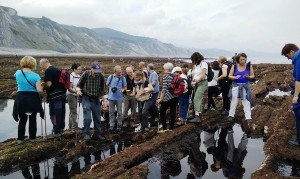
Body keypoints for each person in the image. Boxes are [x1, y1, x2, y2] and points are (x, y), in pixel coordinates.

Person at [13, 56, 44, 144]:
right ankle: (32, 139)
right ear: (33, 64)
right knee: (33, 119)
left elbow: (16, 76)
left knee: (22, 119)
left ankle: (20, 140)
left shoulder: (18, 72)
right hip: (32, 98)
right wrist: (42, 92)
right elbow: (39, 90)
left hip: (21, 98)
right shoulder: (36, 76)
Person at [76, 61, 105, 142]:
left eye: (98, 71)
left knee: (97, 118)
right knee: (87, 118)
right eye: (96, 71)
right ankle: (86, 134)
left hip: (96, 99)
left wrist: (104, 99)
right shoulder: (85, 74)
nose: (97, 73)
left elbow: (103, 89)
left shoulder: (101, 76)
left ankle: (97, 134)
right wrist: (78, 91)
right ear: (91, 69)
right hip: (86, 98)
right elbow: (78, 85)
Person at [227, 53, 255, 128]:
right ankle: (231, 115)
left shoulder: (249, 66)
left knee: (246, 101)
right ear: (238, 60)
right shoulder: (235, 66)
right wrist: (235, 77)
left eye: (245, 59)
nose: (244, 60)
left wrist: (248, 76)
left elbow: (253, 76)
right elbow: (229, 76)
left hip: (245, 86)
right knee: (234, 100)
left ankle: (248, 117)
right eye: (242, 59)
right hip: (236, 85)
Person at [40, 58, 66, 135]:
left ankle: (56, 130)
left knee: (54, 112)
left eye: (41, 66)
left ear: (43, 64)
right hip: (62, 94)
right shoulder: (56, 69)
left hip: (54, 96)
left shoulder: (48, 70)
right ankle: (61, 128)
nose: (41, 67)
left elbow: (49, 84)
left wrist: (43, 87)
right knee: (61, 112)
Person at [281, 43, 300, 146]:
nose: (288, 59)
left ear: (292, 52)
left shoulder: (298, 58)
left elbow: (299, 79)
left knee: (298, 114)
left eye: (287, 56)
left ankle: (298, 140)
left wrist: (296, 96)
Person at [157, 62, 178, 130]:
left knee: (162, 112)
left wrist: (160, 99)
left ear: (167, 69)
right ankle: (171, 127)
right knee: (173, 111)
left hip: (167, 97)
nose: (164, 70)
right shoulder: (175, 76)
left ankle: (164, 128)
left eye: (164, 69)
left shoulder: (166, 76)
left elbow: (164, 89)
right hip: (175, 97)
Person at [106, 65, 127, 132]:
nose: (120, 73)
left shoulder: (123, 78)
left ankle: (119, 125)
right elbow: (107, 84)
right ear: (115, 71)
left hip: (119, 98)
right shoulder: (111, 77)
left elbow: (125, 87)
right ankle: (112, 125)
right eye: (118, 72)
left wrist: (123, 90)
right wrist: (111, 88)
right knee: (111, 112)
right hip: (111, 98)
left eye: (120, 72)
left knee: (120, 112)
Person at [189, 52, 208, 122]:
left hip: (202, 83)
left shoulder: (203, 63)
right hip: (196, 83)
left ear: (196, 58)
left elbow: (203, 75)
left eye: (193, 60)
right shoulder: (196, 65)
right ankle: (199, 114)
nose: (193, 62)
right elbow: (194, 74)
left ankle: (197, 117)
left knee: (196, 99)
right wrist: (193, 81)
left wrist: (196, 81)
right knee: (197, 99)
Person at [66, 63, 82, 129]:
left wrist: (79, 91)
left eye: (81, 69)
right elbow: (69, 88)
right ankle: (74, 127)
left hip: (76, 95)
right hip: (71, 95)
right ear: (74, 69)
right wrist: (77, 91)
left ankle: (71, 127)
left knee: (72, 111)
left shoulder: (79, 76)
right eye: (79, 69)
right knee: (74, 111)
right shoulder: (71, 76)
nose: (80, 70)